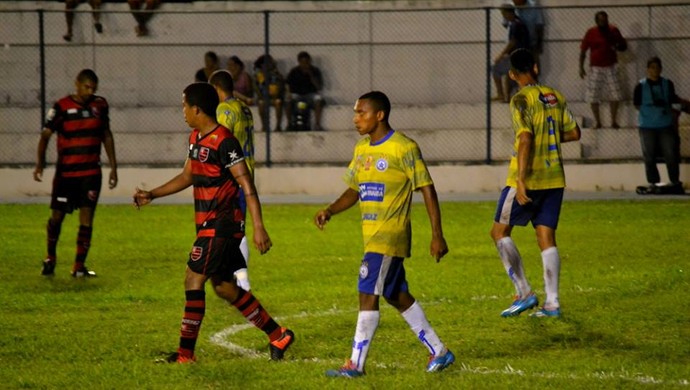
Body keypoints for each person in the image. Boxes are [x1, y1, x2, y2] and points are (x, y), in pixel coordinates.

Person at [132, 82, 294, 364]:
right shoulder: (196, 138)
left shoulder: (224, 141)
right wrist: (153, 194)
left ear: (197, 109)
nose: (182, 111)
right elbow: (187, 176)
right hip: (209, 224)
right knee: (224, 287)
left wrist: (258, 226)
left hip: (221, 224)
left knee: (193, 278)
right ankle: (278, 334)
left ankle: (185, 355)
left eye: (184, 105)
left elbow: (246, 183)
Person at [314, 91, 455, 377]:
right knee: (396, 294)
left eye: (361, 113)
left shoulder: (403, 147)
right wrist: (330, 210)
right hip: (373, 236)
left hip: (389, 235)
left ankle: (355, 364)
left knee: (367, 294)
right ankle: (439, 351)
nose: (355, 119)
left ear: (379, 115)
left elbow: (426, 187)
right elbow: (354, 189)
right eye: (355, 113)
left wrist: (436, 234)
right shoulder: (362, 149)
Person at [490, 48, 581, 319]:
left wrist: (520, 181)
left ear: (512, 74)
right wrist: (550, 139)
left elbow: (526, 139)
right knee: (546, 237)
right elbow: (574, 133)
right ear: (536, 68)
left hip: (529, 178)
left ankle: (525, 293)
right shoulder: (555, 96)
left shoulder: (520, 100)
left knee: (499, 232)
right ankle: (552, 304)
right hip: (554, 178)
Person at [34, 69, 118, 277]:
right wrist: (40, 163)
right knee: (57, 216)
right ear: (77, 84)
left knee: (87, 217)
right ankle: (50, 257)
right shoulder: (61, 107)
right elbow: (45, 135)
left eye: (93, 88)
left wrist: (113, 167)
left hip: (90, 174)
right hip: (66, 175)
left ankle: (78, 266)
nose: (89, 92)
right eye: (86, 87)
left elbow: (106, 135)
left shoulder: (100, 105)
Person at [207, 69, 256, 290]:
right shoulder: (244, 108)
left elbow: (221, 143)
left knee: (231, 229)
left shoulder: (224, 110)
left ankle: (242, 282)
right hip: (246, 174)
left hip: (230, 178)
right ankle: (236, 277)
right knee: (237, 227)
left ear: (216, 89)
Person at [633, 56, 684, 194]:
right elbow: (636, 104)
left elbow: (672, 98)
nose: (655, 70)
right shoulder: (641, 85)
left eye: (657, 67)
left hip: (665, 124)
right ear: (648, 69)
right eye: (652, 67)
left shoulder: (667, 83)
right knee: (649, 155)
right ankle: (653, 182)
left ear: (661, 69)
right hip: (647, 125)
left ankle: (675, 182)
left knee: (670, 153)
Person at [579, 10, 627, 129]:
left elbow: (623, 46)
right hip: (596, 67)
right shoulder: (591, 32)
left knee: (616, 94)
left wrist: (616, 46)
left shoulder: (613, 30)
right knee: (593, 95)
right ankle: (598, 121)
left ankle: (613, 121)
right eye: (600, 20)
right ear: (596, 21)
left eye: (605, 19)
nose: (603, 22)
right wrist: (580, 67)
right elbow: (583, 51)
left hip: (611, 66)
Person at [493, 4, 530, 103]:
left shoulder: (515, 24)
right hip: (519, 54)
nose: (503, 16)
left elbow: (513, 42)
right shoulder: (516, 22)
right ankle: (506, 97)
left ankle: (502, 95)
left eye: (503, 13)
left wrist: (501, 55)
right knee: (506, 72)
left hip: (518, 56)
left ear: (509, 13)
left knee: (496, 69)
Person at [286, 51, 325, 131]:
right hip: (297, 94)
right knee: (287, 100)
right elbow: (287, 84)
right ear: (299, 62)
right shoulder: (294, 71)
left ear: (309, 61)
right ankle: (289, 124)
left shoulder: (315, 70)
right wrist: (288, 93)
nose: (304, 64)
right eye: (302, 62)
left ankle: (317, 124)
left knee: (318, 99)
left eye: (306, 62)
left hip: (310, 94)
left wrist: (311, 75)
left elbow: (319, 87)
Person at [253, 54, 285, 132]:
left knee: (278, 102)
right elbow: (256, 89)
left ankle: (278, 126)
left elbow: (280, 87)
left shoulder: (276, 75)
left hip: (275, 97)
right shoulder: (258, 76)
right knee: (261, 103)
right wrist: (261, 96)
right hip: (263, 97)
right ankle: (264, 126)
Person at [512, 0, 545, 67]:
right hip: (516, 44)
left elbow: (539, 26)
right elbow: (506, 23)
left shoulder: (533, 6)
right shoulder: (510, 7)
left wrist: (539, 44)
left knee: (533, 67)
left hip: (531, 43)